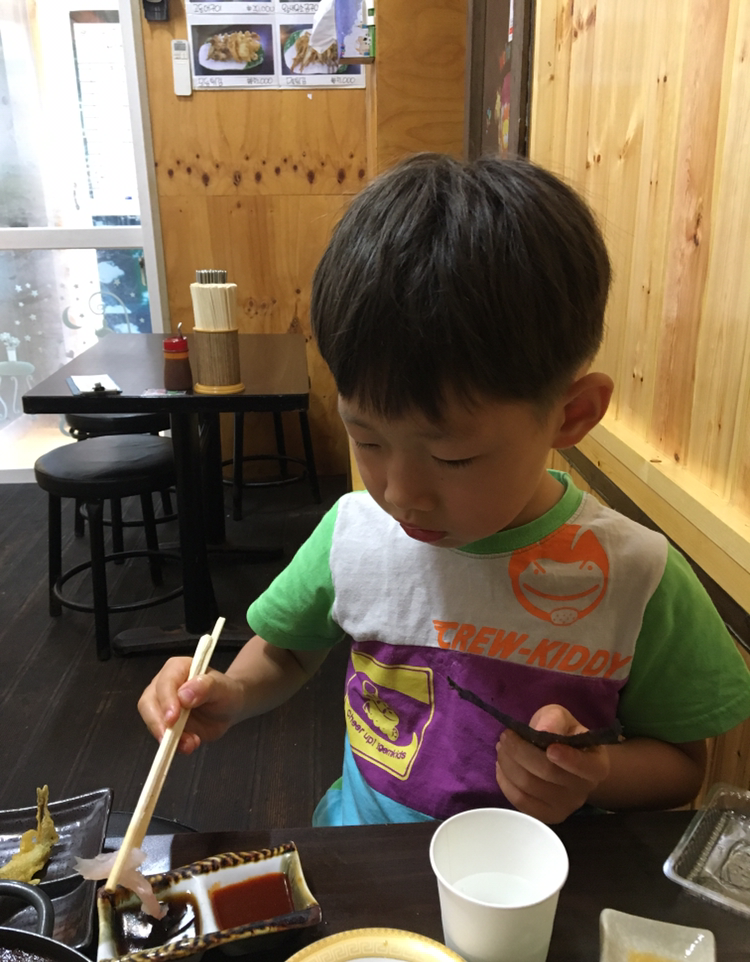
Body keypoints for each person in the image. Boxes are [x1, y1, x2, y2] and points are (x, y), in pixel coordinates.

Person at [139, 154, 750, 826]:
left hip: (540, 875)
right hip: (366, 855)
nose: (401, 494)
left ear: (571, 415)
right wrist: (231, 690)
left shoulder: (638, 577)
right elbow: (286, 652)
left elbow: (684, 767)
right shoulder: (354, 532)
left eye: (453, 457)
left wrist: (595, 775)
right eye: (368, 441)